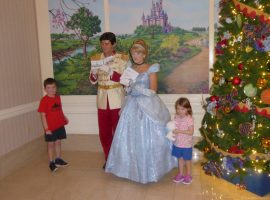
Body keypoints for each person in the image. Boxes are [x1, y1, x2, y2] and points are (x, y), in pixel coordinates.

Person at [105, 39, 177, 184]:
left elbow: (153, 91)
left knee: (149, 136)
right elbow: (127, 88)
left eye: (138, 54)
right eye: (133, 54)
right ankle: (128, 168)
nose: (135, 57)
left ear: (144, 54)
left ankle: (150, 169)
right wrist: (128, 88)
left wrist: (137, 88)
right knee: (128, 137)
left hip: (147, 105)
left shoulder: (151, 68)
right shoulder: (130, 68)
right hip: (131, 105)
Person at [89, 32, 128, 168]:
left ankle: (121, 160)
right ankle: (109, 159)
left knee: (118, 131)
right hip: (102, 100)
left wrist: (112, 73)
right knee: (104, 133)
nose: (104, 46)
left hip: (116, 99)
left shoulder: (122, 59)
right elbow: (93, 81)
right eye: (102, 43)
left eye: (106, 44)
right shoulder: (95, 58)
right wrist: (93, 74)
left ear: (113, 44)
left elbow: (126, 80)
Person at [38, 78, 69, 172]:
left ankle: (58, 159)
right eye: (49, 88)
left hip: (59, 125)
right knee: (51, 145)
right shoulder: (44, 100)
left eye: (53, 87)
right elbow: (43, 116)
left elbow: (59, 109)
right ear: (45, 89)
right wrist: (46, 129)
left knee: (58, 142)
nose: (51, 89)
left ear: (56, 88)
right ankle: (51, 162)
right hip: (50, 128)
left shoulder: (57, 97)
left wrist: (64, 117)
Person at [171, 97, 194, 184]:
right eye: (178, 108)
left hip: (186, 145)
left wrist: (179, 131)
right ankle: (180, 174)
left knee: (187, 160)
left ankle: (188, 175)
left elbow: (191, 132)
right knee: (180, 159)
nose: (180, 111)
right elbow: (174, 127)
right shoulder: (176, 117)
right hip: (178, 143)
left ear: (188, 109)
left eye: (182, 109)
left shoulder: (189, 119)